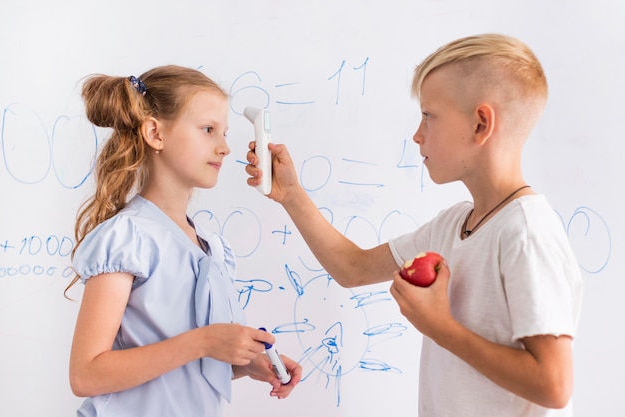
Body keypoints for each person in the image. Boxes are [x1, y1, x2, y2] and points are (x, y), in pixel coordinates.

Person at [245, 34, 583, 416]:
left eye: (429, 115)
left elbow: (553, 385)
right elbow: (352, 268)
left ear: (480, 124)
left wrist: (440, 327)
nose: (417, 134)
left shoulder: (526, 233)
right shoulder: (456, 223)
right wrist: (291, 195)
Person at [65, 65, 301, 417]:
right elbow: (85, 374)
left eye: (224, 133)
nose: (224, 148)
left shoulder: (212, 248)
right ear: (155, 134)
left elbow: (181, 369)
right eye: (208, 130)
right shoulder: (127, 238)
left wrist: (243, 364)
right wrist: (204, 341)